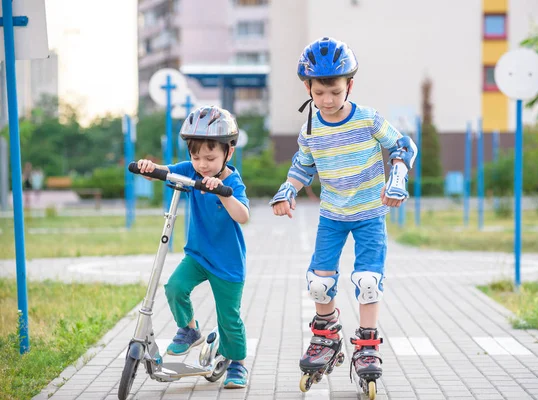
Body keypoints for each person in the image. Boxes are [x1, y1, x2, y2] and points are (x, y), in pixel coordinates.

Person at [270, 37, 418, 383]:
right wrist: (287, 190)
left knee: (368, 282)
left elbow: (402, 145)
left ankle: (367, 344)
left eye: (335, 92)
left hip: (369, 214)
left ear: (349, 85)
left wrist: (397, 178)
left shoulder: (368, 120)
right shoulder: (310, 129)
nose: (327, 100)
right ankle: (327, 336)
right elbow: (302, 167)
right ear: (308, 88)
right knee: (319, 285)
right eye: (319, 93)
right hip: (331, 217)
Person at [136, 106, 250, 389]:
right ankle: (189, 329)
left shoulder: (232, 181)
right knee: (174, 287)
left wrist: (222, 193)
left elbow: (243, 216)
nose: (202, 164)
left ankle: (237, 364)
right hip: (198, 255)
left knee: (229, 318)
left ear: (228, 153)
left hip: (227, 263)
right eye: (195, 156)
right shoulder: (191, 170)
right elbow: (166, 173)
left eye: (210, 158)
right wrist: (149, 169)